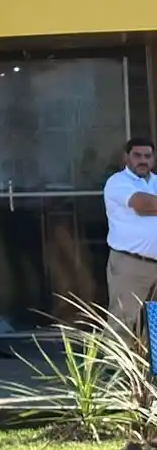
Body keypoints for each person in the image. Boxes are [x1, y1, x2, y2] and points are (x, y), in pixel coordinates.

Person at [103, 137, 157, 348]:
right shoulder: (118, 182)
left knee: (154, 324)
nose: (142, 160)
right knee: (122, 323)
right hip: (131, 265)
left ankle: (149, 378)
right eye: (137, 155)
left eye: (147, 156)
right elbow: (141, 204)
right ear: (127, 157)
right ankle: (113, 376)